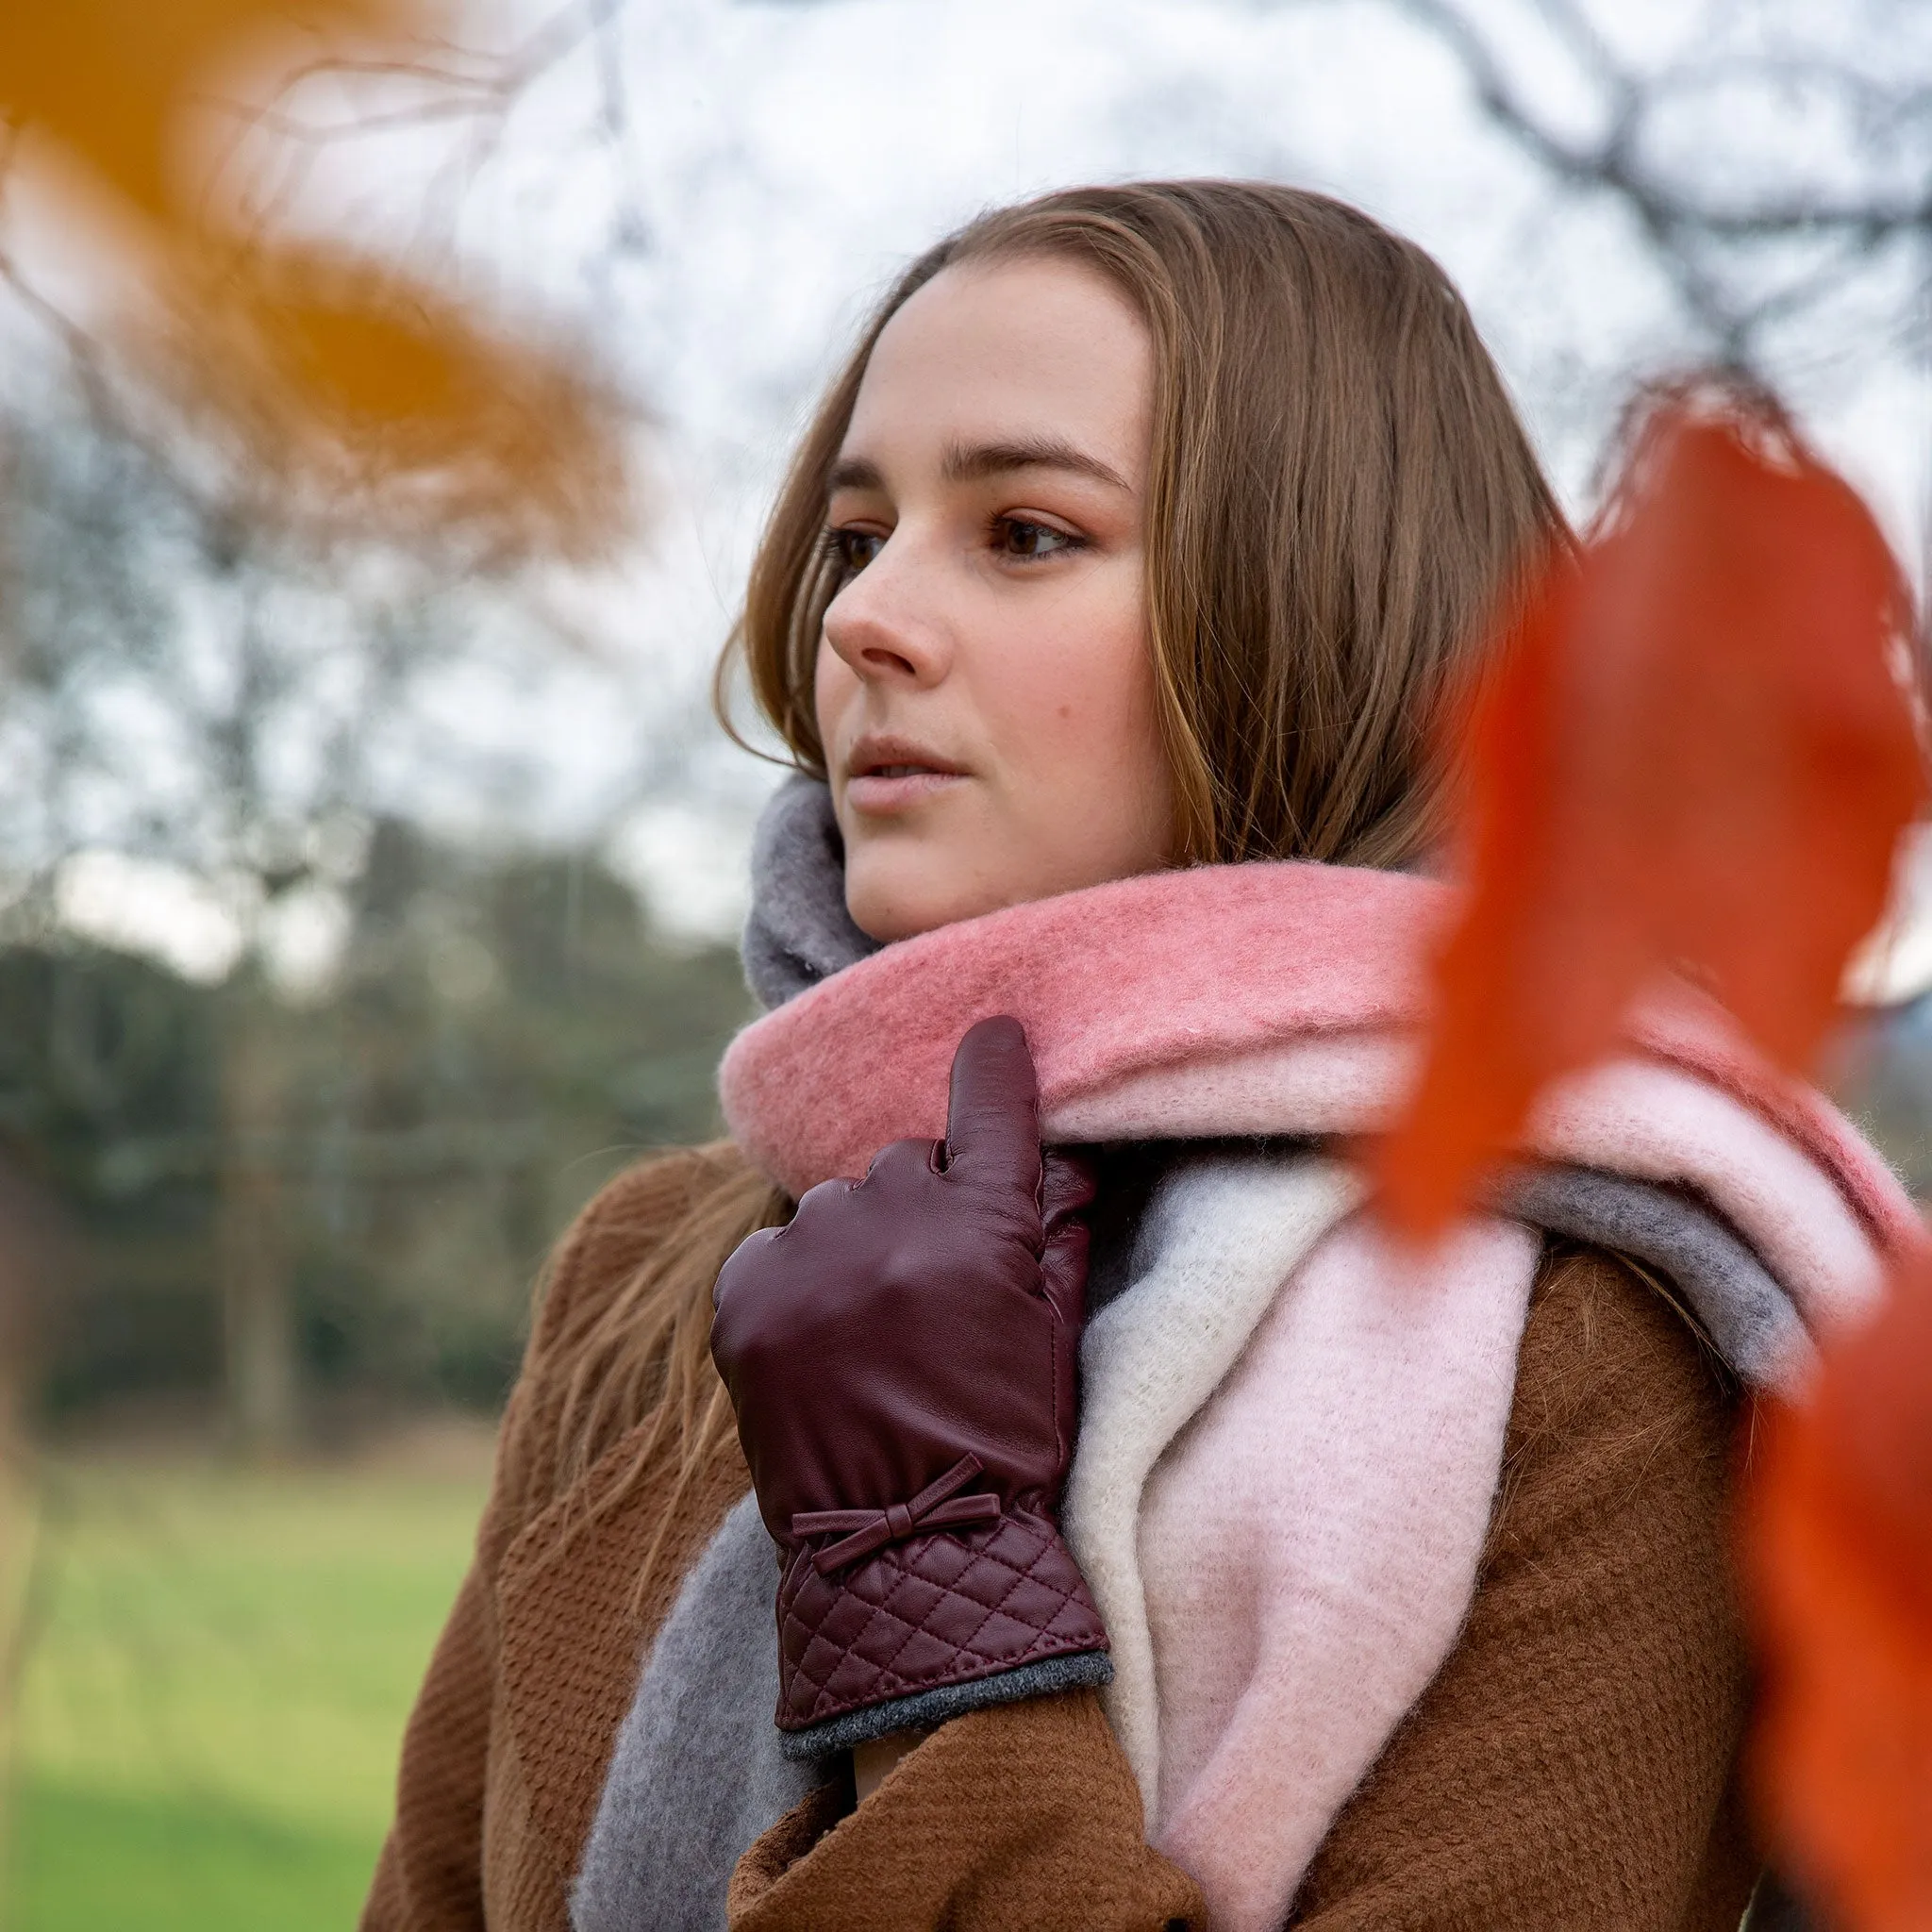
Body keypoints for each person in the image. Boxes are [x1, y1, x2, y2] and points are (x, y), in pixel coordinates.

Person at [361, 181, 1913, 1932]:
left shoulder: (1598, 1325)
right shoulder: (654, 1271)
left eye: (1024, 532)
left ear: (1317, 611)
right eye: (855, 535)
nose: (863, 618)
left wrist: (932, 1605)